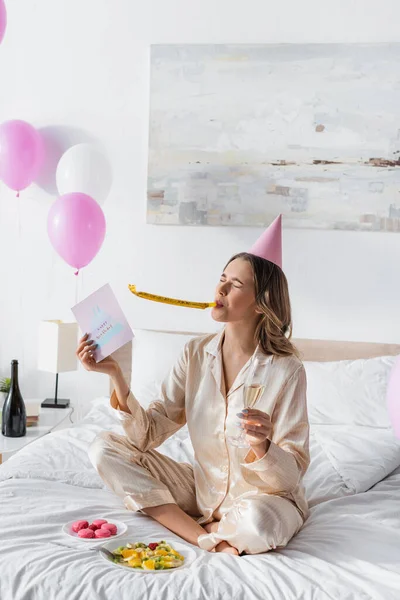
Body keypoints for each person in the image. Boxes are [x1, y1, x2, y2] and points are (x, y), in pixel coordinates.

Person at [79, 215, 310, 555]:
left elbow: (290, 477)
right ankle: (201, 534)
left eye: (234, 285)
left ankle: (220, 529)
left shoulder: (287, 370)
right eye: (221, 279)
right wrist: (116, 374)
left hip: (265, 499)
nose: (220, 290)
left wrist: (263, 446)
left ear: (261, 303)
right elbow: (147, 435)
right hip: (203, 491)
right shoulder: (195, 353)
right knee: (104, 447)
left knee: (259, 523)